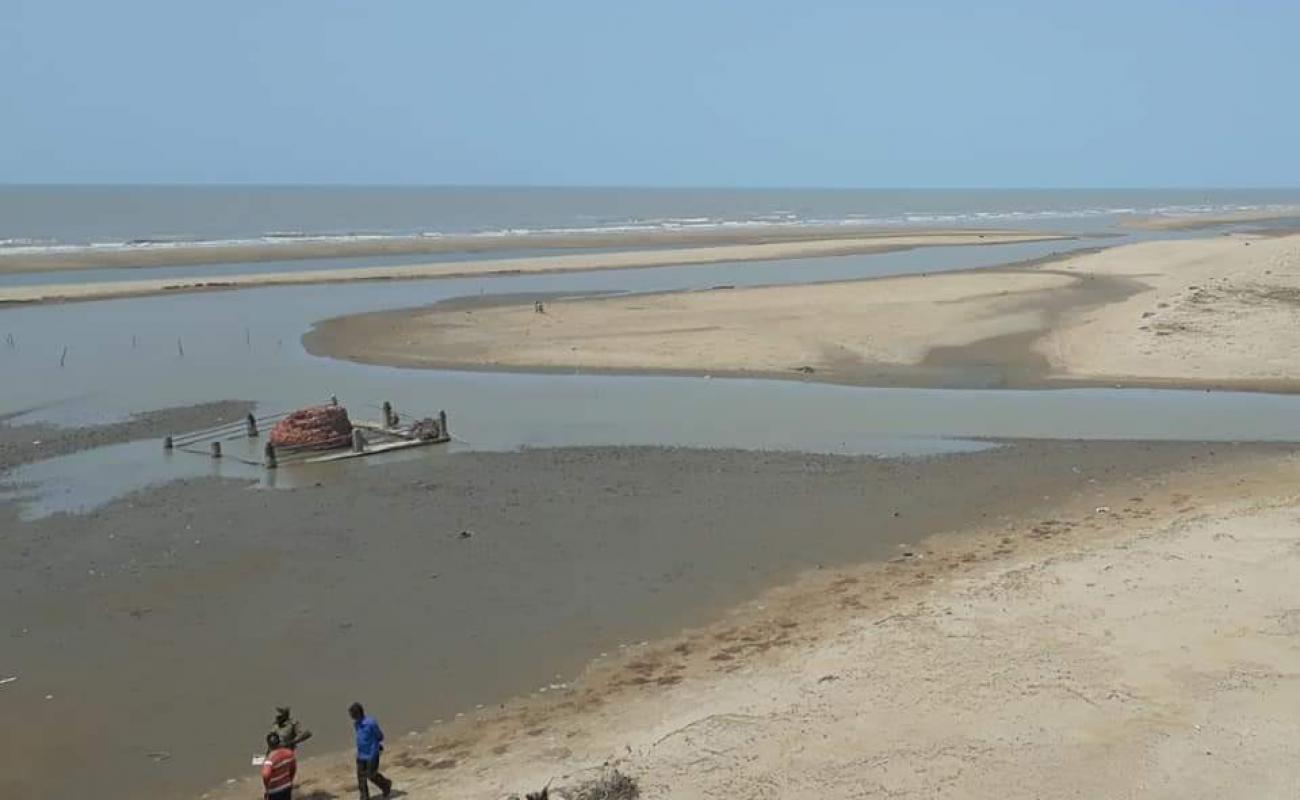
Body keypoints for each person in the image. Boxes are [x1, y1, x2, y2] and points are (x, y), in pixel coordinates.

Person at [349, 702, 393, 800]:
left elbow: (380, 736)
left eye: (352, 714)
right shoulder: (356, 724)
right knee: (361, 778)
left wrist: (377, 746)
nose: (351, 717)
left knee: (371, 775)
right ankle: (364, 797)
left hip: (372, 754)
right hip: (361, 755)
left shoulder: (371, 723)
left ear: (358, 713)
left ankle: (386, 785)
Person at [261, 732, 297, 800]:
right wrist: (290, 780)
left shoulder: (269, 759)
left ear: (268, 744)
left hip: (275, 790)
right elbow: (293, 768)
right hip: (287, 786)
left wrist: (267, 788)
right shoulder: (289, 753)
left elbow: (266, 774)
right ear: (279, 742)